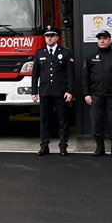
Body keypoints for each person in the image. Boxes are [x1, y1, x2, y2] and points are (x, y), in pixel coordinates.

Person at [81, 30, 112, 156]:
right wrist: (87, 94)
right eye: (100, 39)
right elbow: (85, 78)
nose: (102, 41)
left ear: (110, 40)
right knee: (96, 122)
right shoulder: (91, 56)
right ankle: (99, 147)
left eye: (105, 38)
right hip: (96, 96)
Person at [31, 25, 75, 156]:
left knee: (62, 120)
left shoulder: (65, 53)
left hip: (60, 92)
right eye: (47, 36)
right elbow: (35, 74)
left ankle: (63, 146)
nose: (49, 38)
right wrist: (34, 92)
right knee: (44, 121)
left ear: (56, 37)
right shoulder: (39, 53)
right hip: (45, 92)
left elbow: (70, 74)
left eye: (51, 36)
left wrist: (70, 91)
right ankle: (44, 146)